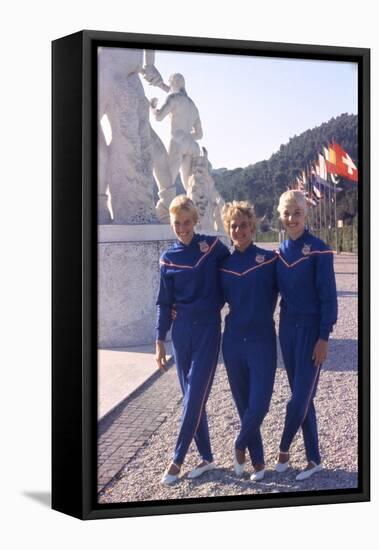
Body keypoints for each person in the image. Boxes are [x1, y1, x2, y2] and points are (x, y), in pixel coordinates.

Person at [155, 195, 230, 485]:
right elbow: (164, 302)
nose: (182, 228)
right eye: (177, 223)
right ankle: (207, 457)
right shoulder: (168, 258)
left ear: (195, 221)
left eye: (187, 222)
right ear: (171, 223)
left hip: (208, 329)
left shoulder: (211, 246)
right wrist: (159, 339)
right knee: (191, 398)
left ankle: (177, 458)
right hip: (180, 332)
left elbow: (236, 271)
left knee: (195, 395)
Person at [275, 190, 338, 480]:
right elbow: (255, 287)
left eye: (296, 213)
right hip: (286, 331)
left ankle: (284, 449)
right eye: (286, 213)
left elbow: (328, 298)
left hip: (312, 332)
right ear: (281, 215)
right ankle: (314, 459)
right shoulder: (277, 254)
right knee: (304, 397)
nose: (291, 218)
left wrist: (324, 336)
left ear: (305, 214)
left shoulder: (319, 249)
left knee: (299, 398)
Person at [219, 201, 278, 482]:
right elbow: (206, 297)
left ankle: (239, 443)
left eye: (243, 224)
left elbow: (295, 288)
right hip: (233, 342)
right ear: (228, 229)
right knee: (243, 404)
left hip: (262, 339)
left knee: (261, 403)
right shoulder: (223, 266)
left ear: (252, 226)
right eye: (233, 225)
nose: (239, 229)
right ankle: (258, 463)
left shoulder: (269, 260)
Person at [150, 73, 203, 190]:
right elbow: (199, 135)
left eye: (170, 84)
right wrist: (187, 137)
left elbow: (158, 117)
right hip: (191, 144)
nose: (169, 87)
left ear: (173, 83)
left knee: (168, 179)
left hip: (177, 140)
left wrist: (152, 108)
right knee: (190, 186)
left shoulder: (173, 98)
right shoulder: (193, 106)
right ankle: (193, 206)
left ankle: (164, 207)